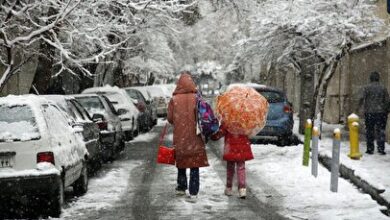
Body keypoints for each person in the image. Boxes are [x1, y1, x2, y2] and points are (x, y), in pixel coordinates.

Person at [167, 72, 209, 201]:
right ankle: (194, 191)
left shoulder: (174, 100)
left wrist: (179, 121)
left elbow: (170, 119)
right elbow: (204, 116)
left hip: (180, 136)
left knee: (181, 161)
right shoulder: (197, 98)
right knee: (194, 163)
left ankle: (181, 187)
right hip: (195, 136)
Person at [211, 123, 254, 199]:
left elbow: (221, 132)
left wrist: (213, 136)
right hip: (242, 147)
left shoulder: (228, 119)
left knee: (230, 169)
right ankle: (242, 189)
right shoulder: (245, 119)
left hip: (230, 147)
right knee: (241, 168)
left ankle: (229, 188)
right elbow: (250, 132)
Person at [358, 71, 390, 155]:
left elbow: (361, 98)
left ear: (370, 78)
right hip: (381, 113)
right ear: (378, 78)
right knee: (381, 131)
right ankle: (381, 149)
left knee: (369, 131)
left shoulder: (367, 88)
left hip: (369, 112)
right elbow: (387, 100)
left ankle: (370, 149)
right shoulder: (383, 88)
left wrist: (358, 108)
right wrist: (387, 110)